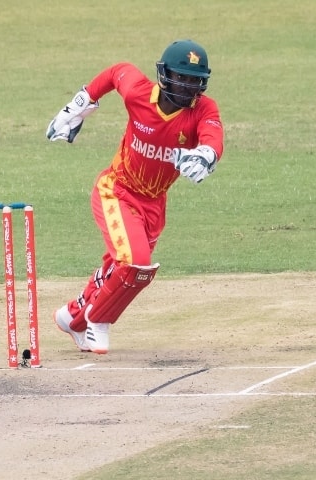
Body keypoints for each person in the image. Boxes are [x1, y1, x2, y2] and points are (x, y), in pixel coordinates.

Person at [46, 39, 224, 354]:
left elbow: (213, 135)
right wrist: (83, 101)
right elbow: (118, 72)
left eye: (194, 80)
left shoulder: (203, 109)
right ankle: (97, 320)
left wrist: (207, 154)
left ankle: (72, 317)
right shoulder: (139, 93)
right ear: (165, 75)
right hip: (117, 190)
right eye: (181, 78)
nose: (187, 86)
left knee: (122, 269)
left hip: (154, 204)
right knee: (135, 263)